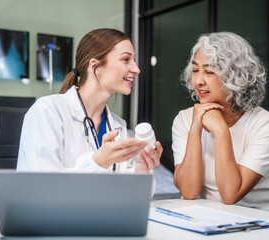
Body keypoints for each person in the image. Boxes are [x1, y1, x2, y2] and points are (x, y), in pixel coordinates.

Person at [17, 28, 163, 173]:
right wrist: (98, 162)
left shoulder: (118, 126)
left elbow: (123, 191)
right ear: (95, 67)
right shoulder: (47, 111)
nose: (137, 69)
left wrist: (141, 171)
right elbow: (42, 186)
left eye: (134, 60)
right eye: (126, 59)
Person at [172, 32, 269, 214]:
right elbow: (188, 191)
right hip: (207, 220)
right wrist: (195, 129)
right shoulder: (184, 120)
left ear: (236, 76)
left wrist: (220, 129)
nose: (199, 81)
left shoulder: (266, 124)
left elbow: (230, 194)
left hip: (263, 223)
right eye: (195, 70)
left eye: (209, 72)